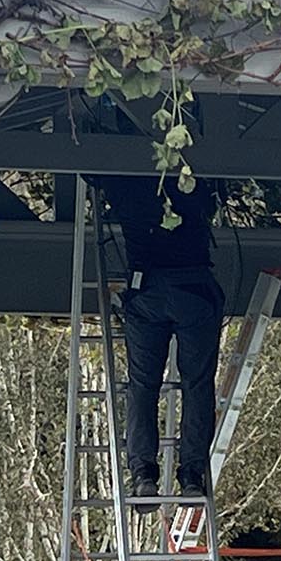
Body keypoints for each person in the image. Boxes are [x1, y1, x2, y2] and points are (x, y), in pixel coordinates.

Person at [92, 170, 224, 498]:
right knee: (197, 384)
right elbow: (216, 196)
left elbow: (90, 170)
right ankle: (192, 474)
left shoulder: (123, 181)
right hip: (194, 289)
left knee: (143, 384)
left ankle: (143, 473)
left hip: (147, 291)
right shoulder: (194, 178)